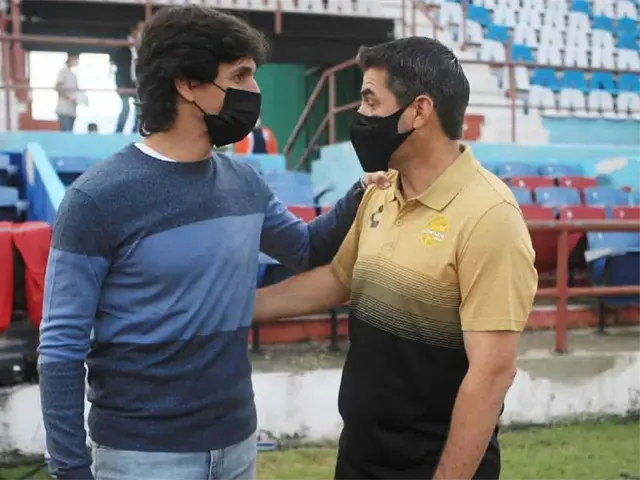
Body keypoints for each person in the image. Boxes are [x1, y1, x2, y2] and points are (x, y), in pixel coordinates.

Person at [37, 6, 389, 480]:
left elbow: (306, 249)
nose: (254, 91)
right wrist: (70, 468)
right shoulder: (97, 199)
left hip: (237, 444)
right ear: (187, 83)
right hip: (142, 456)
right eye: (240, 75)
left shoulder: (245, 182)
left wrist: (362, 190)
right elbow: (62, 345)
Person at [254, 37, 538, 480]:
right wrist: (239, 307)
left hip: (431, 465)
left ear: (419, 110)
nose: (360, 114)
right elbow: (339, 279)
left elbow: (493, 372)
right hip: (359, 455)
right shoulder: (382, 189)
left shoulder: (490, 215)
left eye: (370, 99)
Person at [55, 53, 79, 132]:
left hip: (72, 111)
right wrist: (68, 97)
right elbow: (57, 87)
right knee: (66, 132)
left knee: (70, 132)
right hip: (63, 110)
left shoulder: (74, 75)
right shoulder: (63, 72)